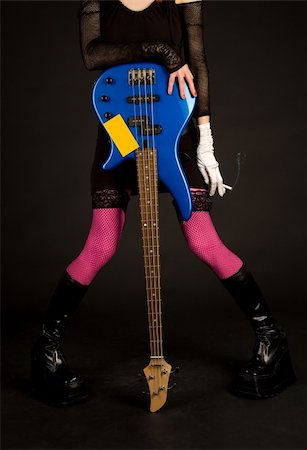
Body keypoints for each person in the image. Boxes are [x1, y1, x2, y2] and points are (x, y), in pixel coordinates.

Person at [30, 0, 296, 407]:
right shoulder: (96, 2)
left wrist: (206, 146)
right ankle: (45, 353)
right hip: (118, 131)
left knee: (204, 243)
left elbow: (198, 66)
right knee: (100, 247)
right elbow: (93, 55)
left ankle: (272, 342)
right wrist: (164, 53)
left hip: (175, 133)